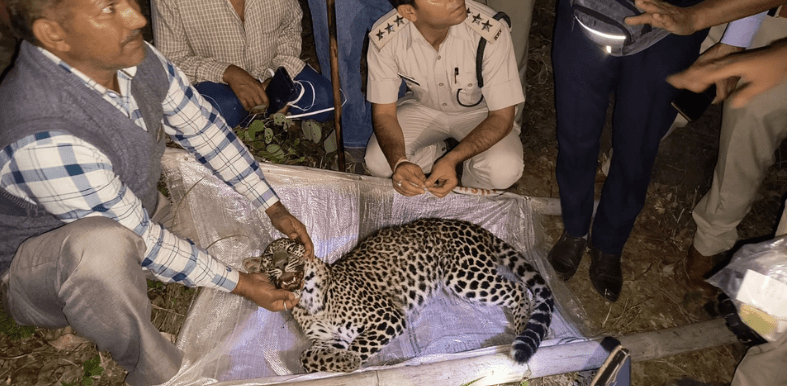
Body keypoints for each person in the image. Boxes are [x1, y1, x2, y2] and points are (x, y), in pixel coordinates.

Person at [0, 0, 314, 385]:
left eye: (128, 0)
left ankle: (155, 276)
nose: (138, 17)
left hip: (137, 209)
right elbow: (141, 238)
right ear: (54, 34)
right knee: (101, 250)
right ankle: (158, 369)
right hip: (40, 265)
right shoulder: (43, 132)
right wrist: (243, 284)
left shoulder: (128, 54)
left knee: (217, 228)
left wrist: (273, 206)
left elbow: (204, 130)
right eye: (109, 9)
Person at [546, 0, 709, 302]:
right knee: (575, 129)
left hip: (673, 21)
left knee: (638, 145)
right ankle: (575, 228)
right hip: (590, 10)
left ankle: (609, 242)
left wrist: (738, 40)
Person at [627, 0, 787, 298]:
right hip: (739, 8)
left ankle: (710, 241)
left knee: (752, 128)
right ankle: (621, 164)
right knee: (674, 81)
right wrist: (734, 41)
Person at [363, 0, 525, 198]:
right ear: (409, 11)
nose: (455, 0)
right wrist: (400, 162)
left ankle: (469, 187)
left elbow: (502, 116)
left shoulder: (490, 28)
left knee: (503, 168)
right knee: (379, 161)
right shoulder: (386, 37)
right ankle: (433, 159)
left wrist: (453, 159)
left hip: (481, 113)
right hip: (423, 107)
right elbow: (384, 113)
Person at [151, 0, 335, 128]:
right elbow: (172, 59)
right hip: (218, 85)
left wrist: (277, 76)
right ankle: (246, 117)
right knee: (222, 108)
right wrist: (228, 73)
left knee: (327, 100)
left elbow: (289, 29)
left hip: (269, 72)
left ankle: (265, 111)